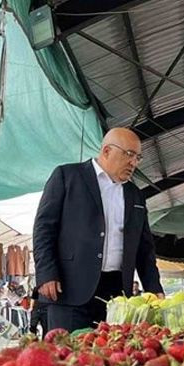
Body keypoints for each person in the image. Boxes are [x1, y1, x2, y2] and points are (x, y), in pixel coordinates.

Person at [33, 128, 164, 332]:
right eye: (129, 154)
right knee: (66, 356)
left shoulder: (135, 195)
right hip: (68, 288)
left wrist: (154, 288)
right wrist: (46, 273)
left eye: (138, 157)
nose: (134, 163)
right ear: (106, 151)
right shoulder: (67, 176)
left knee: (110, 355)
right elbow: (44, 228)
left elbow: (144, 248)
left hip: (117, 295)